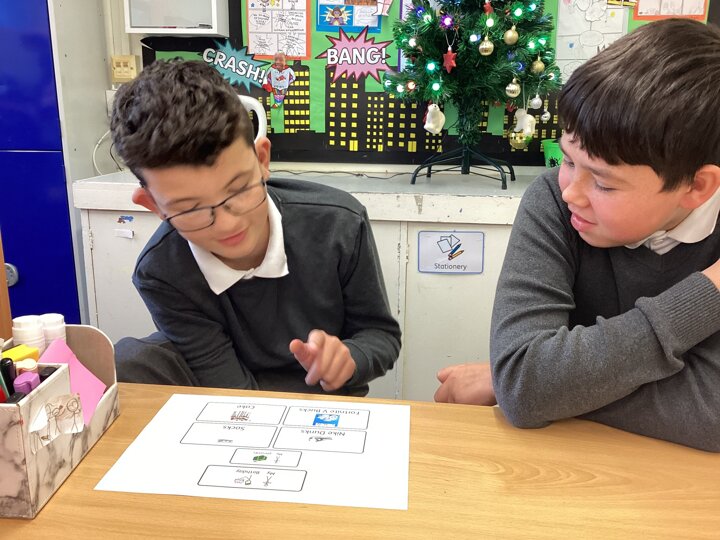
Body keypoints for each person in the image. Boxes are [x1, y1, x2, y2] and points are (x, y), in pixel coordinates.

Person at [435, 18, 720, 452]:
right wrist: (708, 293)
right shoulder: (554, 200)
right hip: (562, 466)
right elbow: (525, 382)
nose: (571, 191)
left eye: (603, 183)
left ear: (697, 187)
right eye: (568, 160)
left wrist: (541, 386)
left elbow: (712, 415)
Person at [111, 59, 401, 396]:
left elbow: (381, 336)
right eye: (190, 209)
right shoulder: (160, 271)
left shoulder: (339, 224)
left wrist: (350, 359)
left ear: (262, 160)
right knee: (130, 360)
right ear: (153, 205)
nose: (227, 223)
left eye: (239, 190)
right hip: (234, 400)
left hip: (328, 405)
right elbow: (230, 387)